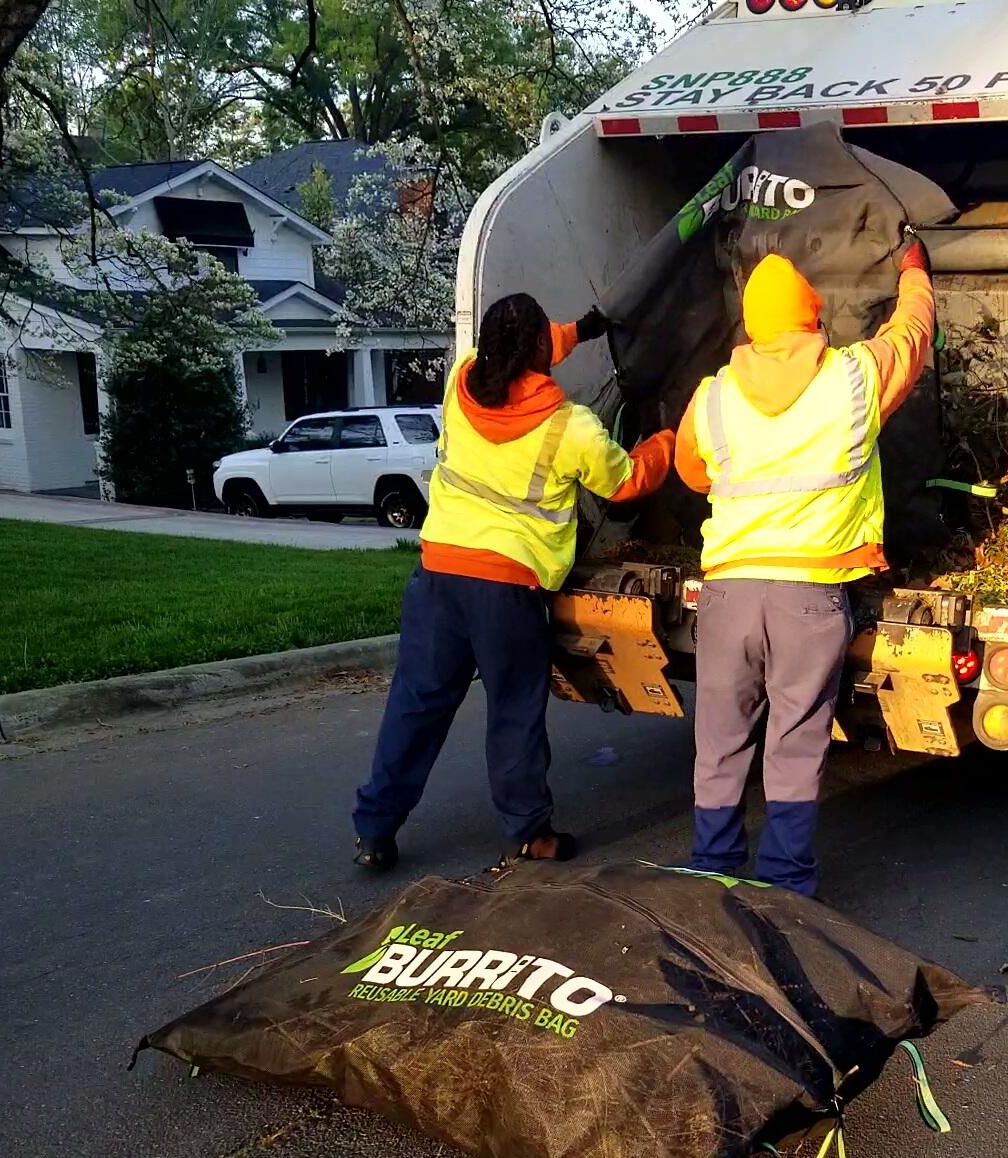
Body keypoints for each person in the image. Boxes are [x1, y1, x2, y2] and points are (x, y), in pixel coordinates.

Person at [352, 292, 675, 871]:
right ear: (535, 351)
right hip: (506, 589)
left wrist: (581, 329)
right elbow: (626, 483)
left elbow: (525, 343)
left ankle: (374, 830)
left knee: (416, 705)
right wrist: (667, 441)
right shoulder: (569, 427)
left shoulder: (458, 383)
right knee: (514, 712)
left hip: (438, 576)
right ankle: (529, 833)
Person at [674, 234, 935, 895]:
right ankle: (786, 887)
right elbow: (912, 335)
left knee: (721, 741)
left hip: (729, 595)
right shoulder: (854, 377)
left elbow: (691, 472)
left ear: (752, 325)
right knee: (794, 745)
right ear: (812, 315)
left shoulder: (713, 396)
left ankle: (713, 876)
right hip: (810, 599)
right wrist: (913, 269)